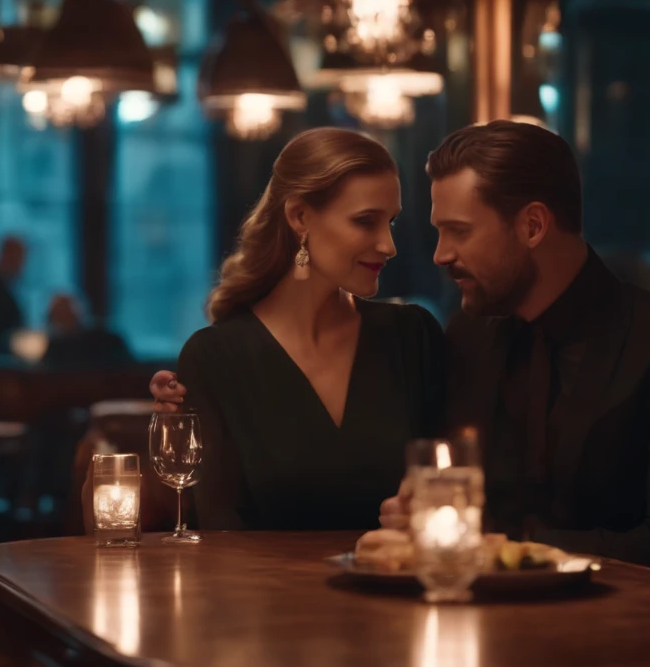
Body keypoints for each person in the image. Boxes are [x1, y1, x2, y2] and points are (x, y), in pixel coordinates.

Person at [156, 121, 650, 578]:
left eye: (457, 232)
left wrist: (487, 542)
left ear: (533, 226)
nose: (434, 255)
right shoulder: (468, 340)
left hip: (638, 645)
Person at [153, 127, 444, 531]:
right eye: (365, 222)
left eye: (390, 222)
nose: (387, 245)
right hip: (265, 593)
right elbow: (219, 533)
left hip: (399, 587)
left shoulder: (412, 336)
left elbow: (456, 489)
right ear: (300, 217)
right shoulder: (215, 358)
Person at [40, 294, 134, 371]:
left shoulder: (107, 341)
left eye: (66, 311)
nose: (64, 317)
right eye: (59, 313)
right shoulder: (55, 348)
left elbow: (128, 370)